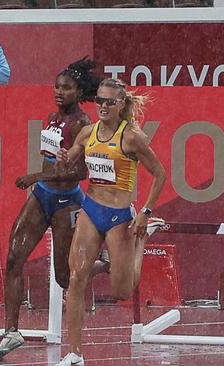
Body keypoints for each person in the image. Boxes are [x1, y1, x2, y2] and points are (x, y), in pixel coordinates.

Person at [0, 58, 105, 358]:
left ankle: (105, 264)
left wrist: (36, 175)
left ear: (79, 92)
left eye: (66, 88)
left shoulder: (84, 125)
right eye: (56, 86)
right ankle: (11, 332)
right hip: (43, 196)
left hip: (67, 204)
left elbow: (80, 173)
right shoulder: (53, 116)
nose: (59, 91)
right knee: (14, 258)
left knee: (64, 279)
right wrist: (41, 180)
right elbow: (54, 159)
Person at [54, 78, 166, 366]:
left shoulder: (131, 137)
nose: (103, 106)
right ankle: (75, 353)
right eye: (99, 101)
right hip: (91, 210)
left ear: (121, 104)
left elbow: (160, 174)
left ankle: (142, 239)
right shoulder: (87, 132)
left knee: (122, 291)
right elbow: (69, 165)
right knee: (76, 278)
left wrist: (145, 212)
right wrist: (63, 158)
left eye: (109, 102)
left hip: (120, 217)